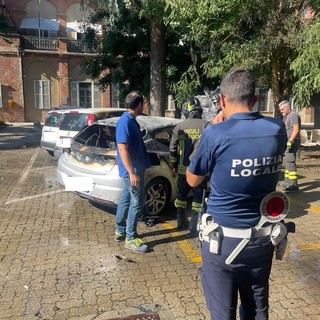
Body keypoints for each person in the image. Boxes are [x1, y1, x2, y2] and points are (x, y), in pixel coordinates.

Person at [186, 69, 287, 319]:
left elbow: (192, 179)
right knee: (256, 310)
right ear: (254, 99)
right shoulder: (276, 129)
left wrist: (214, 130)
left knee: (223, 313)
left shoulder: (215, 133)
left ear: (221, 100)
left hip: (222, 243)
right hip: (262, 240)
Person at [114, 91, 151, 253]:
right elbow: (122, 149)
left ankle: (120, 230)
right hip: (133, 172)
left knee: (126, 199)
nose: (144, 106)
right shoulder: (125, 122)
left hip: (133, 170)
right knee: (137, 203)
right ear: (138, 105)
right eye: (143, 103)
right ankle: (130, 237)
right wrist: (132, 173)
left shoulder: (131, 121)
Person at [170, 97, 209, 232]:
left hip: (182, 170)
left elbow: (172, 149)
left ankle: (180, 222)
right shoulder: (207, 125)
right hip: (200, 171)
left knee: (181, 197)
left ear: (187, 111)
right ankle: (194, 225)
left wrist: (173, 165)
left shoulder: (179, 126)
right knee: (198, 198)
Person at [279, 100, 301, 191]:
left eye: (282, 109)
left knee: (290, 163)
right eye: (280, 109)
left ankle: (293, 184)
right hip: (288, 142)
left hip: (292, 143)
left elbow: (296, 129)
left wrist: (290, 141)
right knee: (287, 163)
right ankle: (287, 181)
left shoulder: (293, 115)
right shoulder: (288, 116)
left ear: (288, 107)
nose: (281, 111)